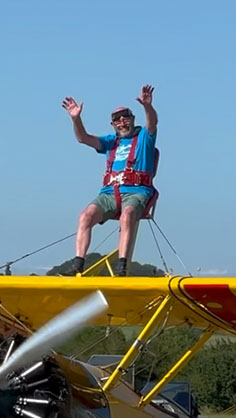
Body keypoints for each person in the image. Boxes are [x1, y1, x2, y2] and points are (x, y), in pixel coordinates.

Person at [62, 84, 158, 276]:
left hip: (136, 191)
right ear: (113, 125)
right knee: (86, 215)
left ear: (132, 120)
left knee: (128, 214)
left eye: (126, 117)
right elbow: (83, 138)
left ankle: (121, 266)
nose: (122, 122)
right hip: (109, 193)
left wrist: (147, 106)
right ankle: (78, 264)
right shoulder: (110, 142)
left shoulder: (144, 138)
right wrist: (76, 118)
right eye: (117, 120)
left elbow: (152, 123)